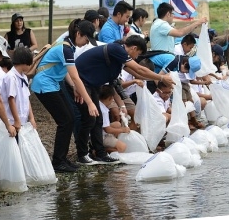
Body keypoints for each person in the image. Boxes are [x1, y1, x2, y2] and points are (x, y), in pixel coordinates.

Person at [73, 35, 176, 164]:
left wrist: (122, 105)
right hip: (80, 82)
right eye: (137, 54)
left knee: (97, 119)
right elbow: (138, 69)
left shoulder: (119, 58)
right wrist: (161, 78)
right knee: (88, 119)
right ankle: (82, 154)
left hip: (92, 84)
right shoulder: (117, 50)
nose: (136, 58)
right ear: (133, 48)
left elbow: (136, 75)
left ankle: (100, 154)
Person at [29, 21, 97, 173]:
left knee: (70, 118)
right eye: (86, 39)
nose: (86, 43)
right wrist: (90, 102)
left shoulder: (68, 45)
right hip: (44, 85)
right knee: (65, 121)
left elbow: (65, 71)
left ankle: (62, 158)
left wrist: (74, 88)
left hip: (52, 83)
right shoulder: (65, 48)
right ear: (78, 34)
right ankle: (58, 161)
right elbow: (76, 77)